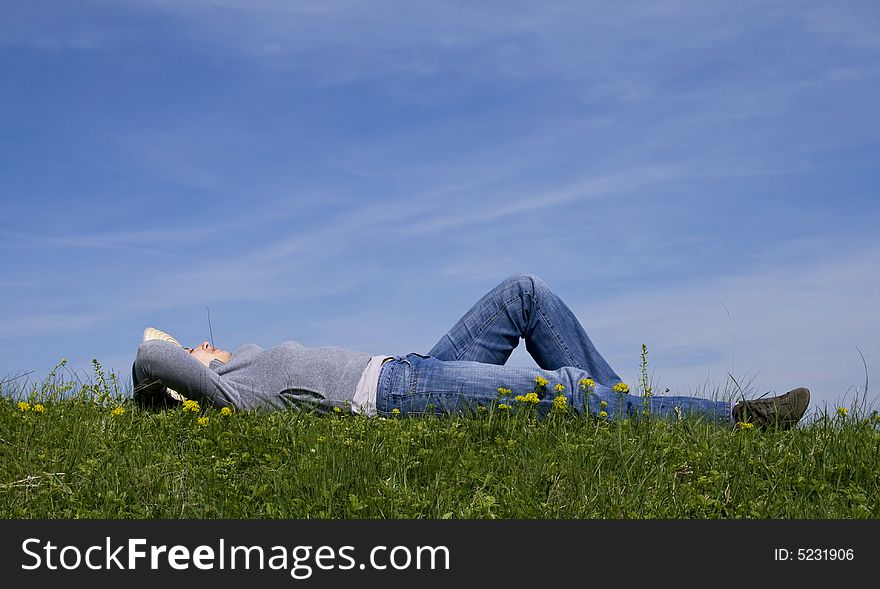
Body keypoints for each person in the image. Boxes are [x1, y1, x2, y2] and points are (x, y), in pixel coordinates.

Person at [132, 273, 810, 429]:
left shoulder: (239, 366)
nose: (205, 340)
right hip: (396, 397)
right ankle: (734, 419)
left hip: (408, 367)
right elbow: (149, 357)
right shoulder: (229, 390)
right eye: (197, 346)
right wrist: (186, 360)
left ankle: (627, 409)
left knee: (524, 295)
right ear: (192, 373)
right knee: (560, 391)